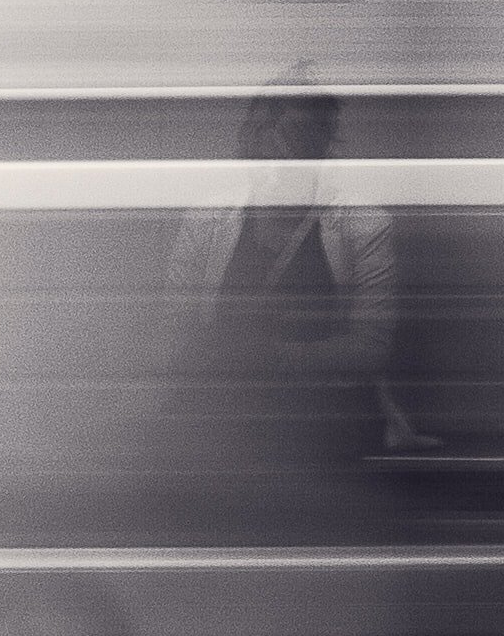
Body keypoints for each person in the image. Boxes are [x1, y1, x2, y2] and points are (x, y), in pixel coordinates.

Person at [153, 66, 415, 476]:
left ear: (321, 145)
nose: (277, 151)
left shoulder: (363, 223)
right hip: (219, 422)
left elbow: (370, 346)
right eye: (265, 133)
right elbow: (172, 330)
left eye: (293, 136)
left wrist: (267, 358)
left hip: (325, 424)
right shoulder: (207, 220)